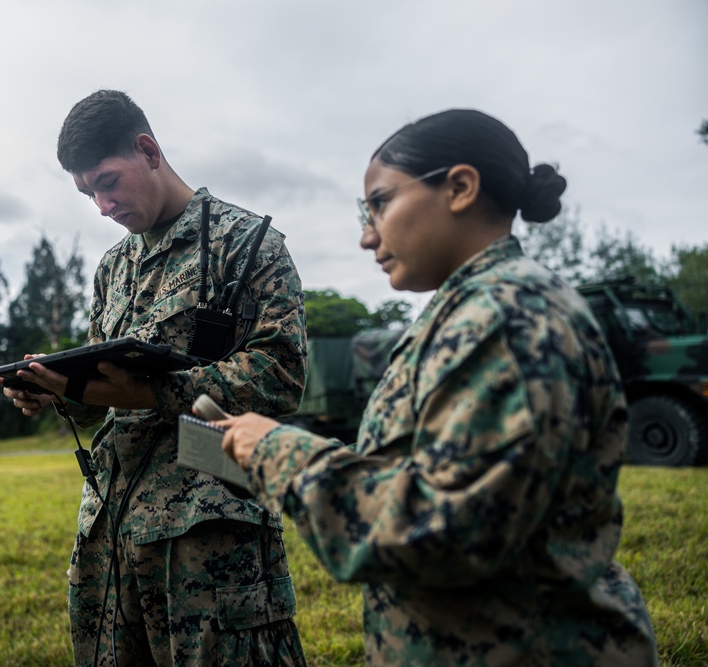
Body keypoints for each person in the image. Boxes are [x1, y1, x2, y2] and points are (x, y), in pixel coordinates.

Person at [218, 109, 659, 666]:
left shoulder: (505, 320)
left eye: (379, 202)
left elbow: (444, 530)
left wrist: (278, 451)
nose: (366, 235)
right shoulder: (476, 309)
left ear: (459, 187)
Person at [0, 89, 308, 666]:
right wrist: (57, 389)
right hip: (110, 530)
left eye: (107, 182)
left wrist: (154, 391)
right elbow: (106, 400)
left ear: (148, 150)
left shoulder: (247, 244)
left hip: (208, 532)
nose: (102, 204)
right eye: (87, 192)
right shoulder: (112, 269)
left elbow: (281, 377)